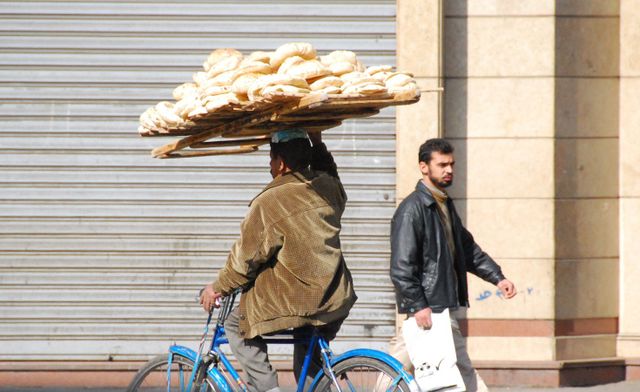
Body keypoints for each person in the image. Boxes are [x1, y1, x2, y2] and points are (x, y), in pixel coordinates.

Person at [199, 129, 357, 392]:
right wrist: (317, 142)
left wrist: (217, 287)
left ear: (280, 162)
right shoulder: (328, 189)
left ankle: (268, 388)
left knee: (235, 323)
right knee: (309, 364)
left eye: (271, 159)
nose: (269, 165)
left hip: (300, 302)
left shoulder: (270, 201)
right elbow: (330, 173)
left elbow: (245, 260)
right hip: (334, 298)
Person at [389, 138, 517, 392]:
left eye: (452, 164)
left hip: (440, 306)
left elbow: (467, 250)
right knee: (398, 369)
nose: (449, 170)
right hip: (428, 309)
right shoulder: (412, 210)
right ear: (424, 167)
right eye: (442, 164)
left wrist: (498, 278)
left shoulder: (444, 204)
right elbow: (402, 266)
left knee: (453, 368)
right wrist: (418, 305)